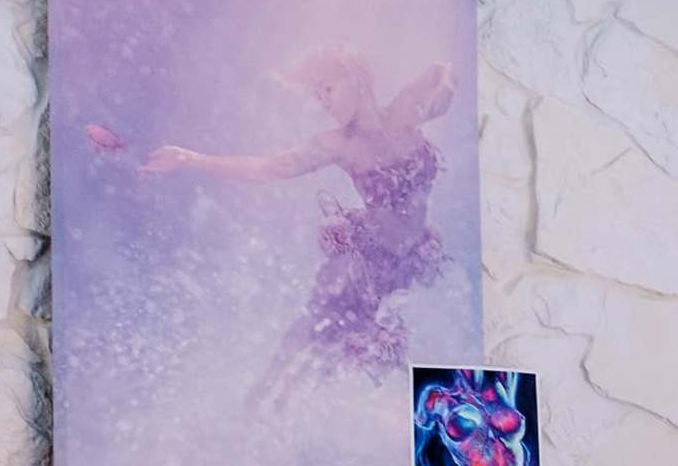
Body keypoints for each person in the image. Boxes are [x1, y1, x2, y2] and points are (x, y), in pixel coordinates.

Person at [98, 43, 455, 411]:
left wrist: (442, 93)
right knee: (317, 328)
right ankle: (260, 399)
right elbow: (265, 169)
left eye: (327, 88)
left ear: (355, 77)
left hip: (408, 260)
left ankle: (285, 408)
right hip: (369, 260)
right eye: (317, 94)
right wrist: (190, 158)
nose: (323, 101)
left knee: (351, 351)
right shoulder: (338, 145)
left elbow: (441, 69)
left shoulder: (405, 111)